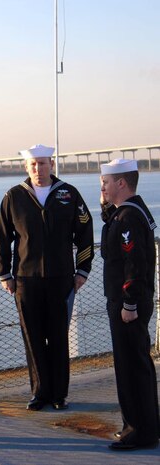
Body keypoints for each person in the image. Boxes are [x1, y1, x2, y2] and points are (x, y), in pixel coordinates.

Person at [0, 144, 94, 411]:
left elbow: (85, 232)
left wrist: (82, 269)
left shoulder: (69, 194)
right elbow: (3, 238)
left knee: (58, 337)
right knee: (33, 338)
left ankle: (59, 394)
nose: (38, 169)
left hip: (61, 279)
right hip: (26, 280)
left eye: (42, 163)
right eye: (33, 165)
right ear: (27, 167)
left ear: (51, 163)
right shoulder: (14, 197)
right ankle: (40, 393)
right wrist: (4, 274)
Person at [100, 158, 160, 451]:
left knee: (132, 367)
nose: (103, 186)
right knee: (136, 364)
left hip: (127, 304)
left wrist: (130, 303)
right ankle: (140, 425)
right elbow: (110, 245)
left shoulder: (128, 218)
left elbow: (133, 263)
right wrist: (105, 207)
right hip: (129, 301)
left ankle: (140, 431)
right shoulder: (128, 212)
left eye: (107, 182)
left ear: (121, 183)